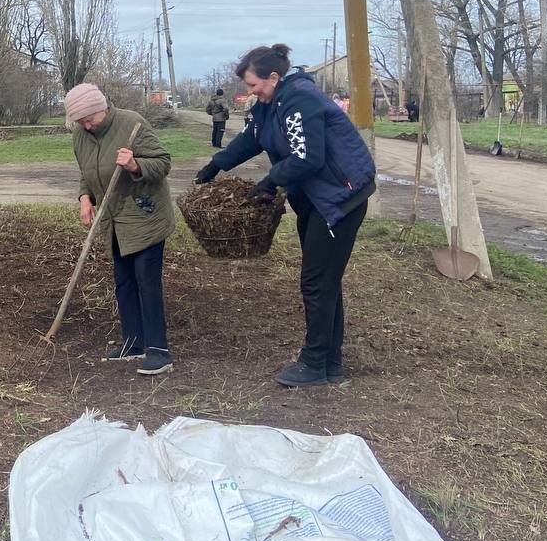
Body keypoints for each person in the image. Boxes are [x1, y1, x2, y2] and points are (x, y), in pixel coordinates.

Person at [194, 44, 375, 388]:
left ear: (273, 77)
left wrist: (270, 180)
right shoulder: (270, 105)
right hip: (316, 200)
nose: (251, 91)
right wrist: (217, 164)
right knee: (324, 282)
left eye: (253, 85)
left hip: (340, 199)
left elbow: (307, 157)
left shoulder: (299, 100)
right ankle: (330, 362)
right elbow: (253, 137)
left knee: (316, 283)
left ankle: (314, 363)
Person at [65, 82, 177, 376]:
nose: (87, 125)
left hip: (145, 215)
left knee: (146, 281)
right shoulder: (81, 135)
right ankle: (133, 342)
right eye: (80, 121)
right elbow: (86, 172)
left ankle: (159, 350)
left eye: (90, 118)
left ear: (102, 108)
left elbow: (163, 163)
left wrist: (135, 165)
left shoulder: (131, 123)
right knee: (124, 281)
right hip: (114, 220)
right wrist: (85, 198)